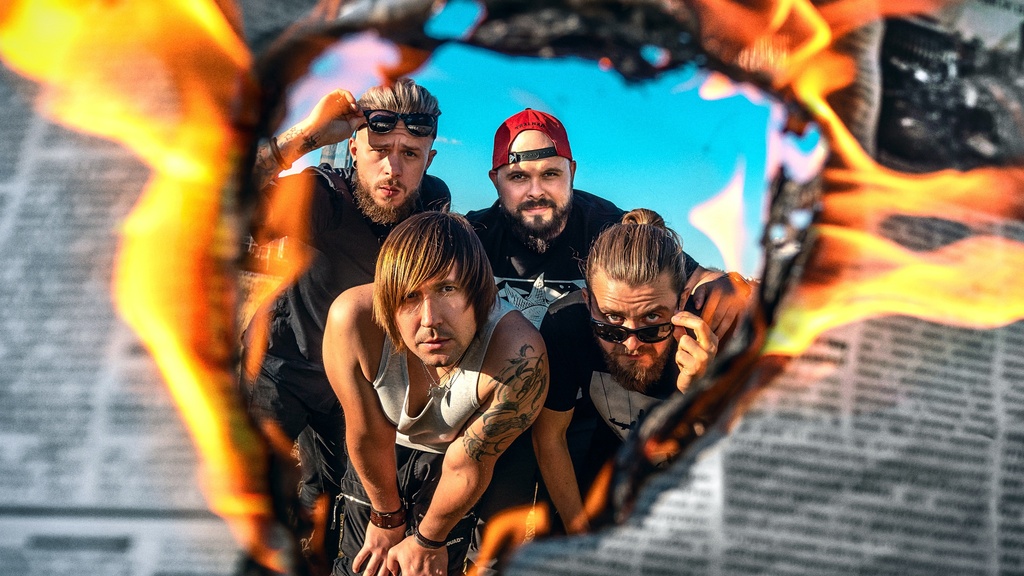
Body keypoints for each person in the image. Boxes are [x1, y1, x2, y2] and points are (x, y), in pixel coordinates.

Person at [465, 108, 752, 527]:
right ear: (496, 180)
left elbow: (687, 277)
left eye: (551, 174)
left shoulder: (611, 229)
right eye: (518, 177)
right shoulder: (473, 238)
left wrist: (730, 285)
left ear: (572, 172)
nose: (536, 191)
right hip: (503, 399)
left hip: (590, 403)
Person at [240, 78, 449, 567]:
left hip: (353, 383)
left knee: (334, 493)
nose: (393, 168)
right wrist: (307, 136)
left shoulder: (432, 204)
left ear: (430, 160)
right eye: (379, 150)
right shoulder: (322, 195)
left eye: (410, 154)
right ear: (353, 148)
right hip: (280, 366)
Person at [322, 212, 548, 576]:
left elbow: (467, 465)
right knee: (364, 566)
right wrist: (385, 516)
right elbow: (367, 434)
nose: (430, 319)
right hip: (382, 452)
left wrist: (428, 540)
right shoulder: (353, 320)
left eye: (447, 289)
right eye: (409, 296)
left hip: (459, 459)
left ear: (478, 291)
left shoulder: (518, 354)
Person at [534, 208, 723, 534]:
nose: (631, 344)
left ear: (682, 303)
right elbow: (550, 437)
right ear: (587, 302)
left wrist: (704, 393)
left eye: (652, 321)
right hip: (609, 474)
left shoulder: (714, 332)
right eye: (611, 322)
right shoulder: (568, 324)